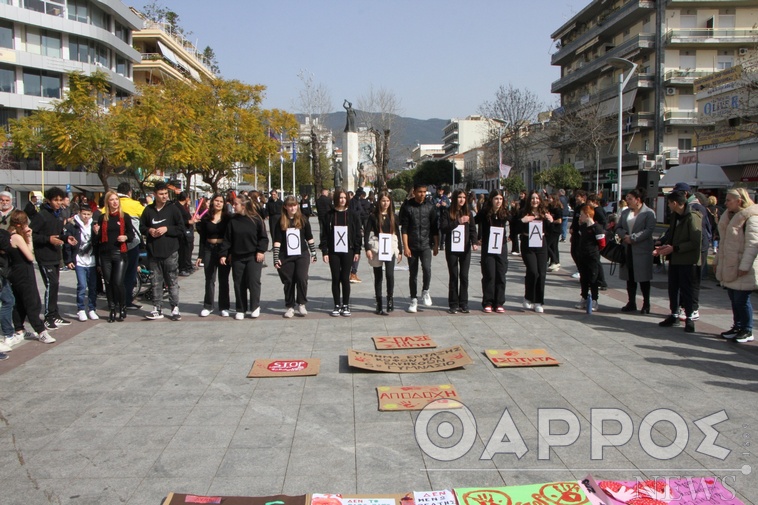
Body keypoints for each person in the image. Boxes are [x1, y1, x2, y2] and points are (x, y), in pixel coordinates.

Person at [654, 190, 702, 333]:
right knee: (673, 287)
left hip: (688, 260)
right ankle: (674, 314)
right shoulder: (675, 216)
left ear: (675, 203)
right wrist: (664, 245)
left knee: (687, 289)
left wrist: (675, 248)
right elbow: (672, 234)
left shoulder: (693, 217)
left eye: (669, 203)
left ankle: (689, 318)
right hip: (675, 258)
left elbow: (695, 242)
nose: (668, 206)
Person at [30, 187, 77, 330]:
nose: (58, 203)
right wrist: (48, 240)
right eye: (55, 200)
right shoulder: (41, 216)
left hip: (56, 255)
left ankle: (55, 314)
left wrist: (66, 238)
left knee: (55, 285)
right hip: (44, 256)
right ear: (48, 200)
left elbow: (57, 234)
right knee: (52, 284)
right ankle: (48, 316)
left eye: (60, 200)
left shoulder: (59, 215)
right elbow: (32, 235)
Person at [714, 188, 757, 343]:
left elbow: (752, 245)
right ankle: (737, 326)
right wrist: (717, 260)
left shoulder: (751, 218)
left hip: (742, 266)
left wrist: (744, 266)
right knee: (733, 297)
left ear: (739, 201)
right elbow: (723, 243)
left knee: (741, 299)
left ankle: (747, 329)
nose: (725, 203)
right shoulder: (728, 217)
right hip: (730, 264)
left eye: (728, 200)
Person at [7, 210, 55, 344]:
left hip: (15, 273)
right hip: (24, 272)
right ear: (20, 224)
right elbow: (30, 256)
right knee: (32, 301)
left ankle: (19, 329)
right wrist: (29, 238)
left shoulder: (8, 235)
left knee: (20, 302)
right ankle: (41, 331)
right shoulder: (17, 237)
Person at [140, 182, 185, 321]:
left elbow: (181, 228)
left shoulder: (173, 209)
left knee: (172, 280)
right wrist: (149, 230)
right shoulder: (148, 210)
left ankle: (174, 307)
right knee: (155, 281)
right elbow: (142, 227)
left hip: (170, 251)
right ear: (154, 195)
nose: (164, 196)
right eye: (161, 194)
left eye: (166, 193)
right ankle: (157, 307)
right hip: (154, 252)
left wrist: (167, 229)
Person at [220, 196, 268, 320]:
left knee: (253, 281)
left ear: (243, 205)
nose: (233, 206)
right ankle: (240, 308)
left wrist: (261, 250)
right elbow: (227, 239)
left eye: (236, 204)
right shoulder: (233, 220)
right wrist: (224, 254)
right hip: (237, 257)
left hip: (253, 256)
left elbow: (263, 237)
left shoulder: (256, 219)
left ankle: (255, 306)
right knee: (238, 283)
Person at [272, 195, 317, 318]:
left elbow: (309, 237)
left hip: (301, 253)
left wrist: (313, 253)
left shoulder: (303, 219)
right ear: (285, 207)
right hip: (285, 255)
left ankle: (302, 303)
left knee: (302, 278)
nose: (292, 208)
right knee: (289, 281)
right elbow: (277, 241)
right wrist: (275, 257)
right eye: (290, 206)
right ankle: (290, 306)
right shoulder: (280, 221)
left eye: (294, 205)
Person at [321, 189, 362, 316]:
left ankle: (345, 304)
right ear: (336, 199)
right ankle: (336, 304)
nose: (342, 200)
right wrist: (325, 251)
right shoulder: (329, 215)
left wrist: (357, 250)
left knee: (345, 277)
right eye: (340, 198)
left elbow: (357, 234)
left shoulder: (352, 214)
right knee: (335, 278)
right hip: (334, 251)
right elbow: (325, 234)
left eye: (344, 197)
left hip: (348, 250)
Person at [615, 187, 656, 314]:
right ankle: (631, 302)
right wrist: (624, 235)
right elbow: (618, 227)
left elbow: (648, 230)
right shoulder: (626, 212)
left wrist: (633, 238)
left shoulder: (649, 213)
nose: (627, 201)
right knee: (630, 277)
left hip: (642, 249)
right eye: (627, 198)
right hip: (628, 249)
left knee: (643, 278)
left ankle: (646, 304)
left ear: (638, 200)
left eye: (630, 199)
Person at [399, 183, 439, 313]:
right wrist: (405, 246)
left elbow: (434, 228)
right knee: (413, 274)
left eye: (424, 192)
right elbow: (404, 229)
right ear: (414, 192)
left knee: (427, 269)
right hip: (412, 245)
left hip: (426, 244)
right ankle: (413, 299)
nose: (422, 194)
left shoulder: (430, 207)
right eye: (420, 192)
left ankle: (425, 291)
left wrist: (436, 244)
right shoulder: (408, 207)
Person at [96, 191, 135, 323]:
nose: (114, 202)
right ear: (107, 202)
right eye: (111, 200)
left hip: (120, 253)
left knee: (118, 282)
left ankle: (122, 306)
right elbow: (98, 240)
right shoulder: (103, 218)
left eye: (116, 200)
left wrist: (125, 237)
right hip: (105, 254)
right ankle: (112, 308)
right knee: (108, 283)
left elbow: (131, 235)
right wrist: (96, 232)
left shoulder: (125, 217)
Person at [364, 191, 402, 315]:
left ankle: (390, 299)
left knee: (390, 274)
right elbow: (366, 233)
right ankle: (379, 302)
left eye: (387, 201)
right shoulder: (373, 216)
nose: (385, 203)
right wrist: (367, 248)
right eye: (383, 200)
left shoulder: (394, 216)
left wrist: (400, 250)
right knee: (378, 275)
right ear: (379, 202)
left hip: (390, 246)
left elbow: (398, 233)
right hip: (377, 246)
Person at [440, 189, 477, 314]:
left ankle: (464, 303)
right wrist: (458, 222)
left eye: (464, 197)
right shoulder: (447, 212)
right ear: (455, 198)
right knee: (454, 275)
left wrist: (474, 242)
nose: (461, 200)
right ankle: (453, 303)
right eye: (459, 197)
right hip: (452, 249)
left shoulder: (469, 213)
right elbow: (444, 229)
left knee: (464, 276)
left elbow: (472, 229)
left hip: (465, 248)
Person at [196, 194, 232, 317]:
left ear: (224, 204)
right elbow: (202, 238)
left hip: (223, 250)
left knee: (224, 280)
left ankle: (224, 306)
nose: (218, 203)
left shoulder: (228, 218)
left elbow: (230, 237)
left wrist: (229, 253)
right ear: (212, 202)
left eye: (221, 201)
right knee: (209, 278)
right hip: (209, 249)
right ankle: (208, 305)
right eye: (216, 201)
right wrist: (200, 255)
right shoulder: (206, 218)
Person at [518, 190, 553, 313]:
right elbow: (515, 228)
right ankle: (528, 297)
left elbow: (552, 231)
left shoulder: (544, 213)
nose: (535, 201)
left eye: (537, 198)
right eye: (533, 198)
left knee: (542, 274)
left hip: (541, 245)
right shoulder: (523, 212)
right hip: (528, 245)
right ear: (529, 200)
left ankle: (538, 301)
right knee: (533, 272)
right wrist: (523, 221)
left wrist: (551, 221)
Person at [63, 205, 99, 322]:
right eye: (84, 214)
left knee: (93, 286)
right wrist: (68, 260)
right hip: (79, 260)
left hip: (92, 260)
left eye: (88, 214)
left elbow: (98, 243)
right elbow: (67, 244)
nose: (86, 216)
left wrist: (97, 233)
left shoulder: (94, 225)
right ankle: (81, 309)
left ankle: (92, 308)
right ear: (79, 213)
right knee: (82, 285)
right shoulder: (73, 225)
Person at [477, 189, 509, 313]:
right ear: (491, 199)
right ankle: (488, 302)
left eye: (501, 199)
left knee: (501, 273)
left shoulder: (505, 212)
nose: (498, 201)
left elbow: (516, 222)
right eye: (496, 199)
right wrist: (476, 239)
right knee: (489, 274)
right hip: (488, 246)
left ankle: (499, 302)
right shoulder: (485, 212)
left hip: (501, 246)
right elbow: (474, 220)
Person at [114, 183, 144, 311]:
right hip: (132, 243)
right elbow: (146, 218)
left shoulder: (111, 204)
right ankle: (126, 300)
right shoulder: (135, 204)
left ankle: (115, 301)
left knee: (116, 274)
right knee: (130, 273)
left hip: (114, 245)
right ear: (129, 192)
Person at [573, 206, 606, 311]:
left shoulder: (597, 228)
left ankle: (594, 300)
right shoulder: (582, 227)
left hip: (592, 256)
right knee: (583, 278)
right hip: (582, 255)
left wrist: (594, 251)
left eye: (581, 214)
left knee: (593, 278)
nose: (580, 217)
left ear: (587, 215)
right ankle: (584, 297)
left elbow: (602, 244)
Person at [177, 192, 197, 277]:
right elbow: (179, 219)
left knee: (188, 249)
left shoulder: (184, 207)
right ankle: (182, 268)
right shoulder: (177, 207)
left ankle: (187, 266)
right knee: (183, 251)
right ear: (186, 198)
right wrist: (188, 221)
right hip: (183, 232)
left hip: (188, 231)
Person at [569, 190, 588, 280]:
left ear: (583, 197)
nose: (576, 198)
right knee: (573, 252)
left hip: (580, 233)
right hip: (575, 233)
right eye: (576, 196)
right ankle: (580, 269)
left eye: (578, 196)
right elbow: (574, 220)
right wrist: (572, 227)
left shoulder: (584, 207)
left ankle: (581, 271)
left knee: (578, 253)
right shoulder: (577, 207)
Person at [546, 193, 563, 271]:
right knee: (553, 246)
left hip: (555, 230)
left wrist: (552, 221)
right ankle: (554, 262)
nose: (549, 199)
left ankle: (555, 260)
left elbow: (559, 221)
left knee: (546, 245)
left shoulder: (557, 209)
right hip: (550, 229)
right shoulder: (550, 207)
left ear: (554, 199)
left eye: (550, 198)